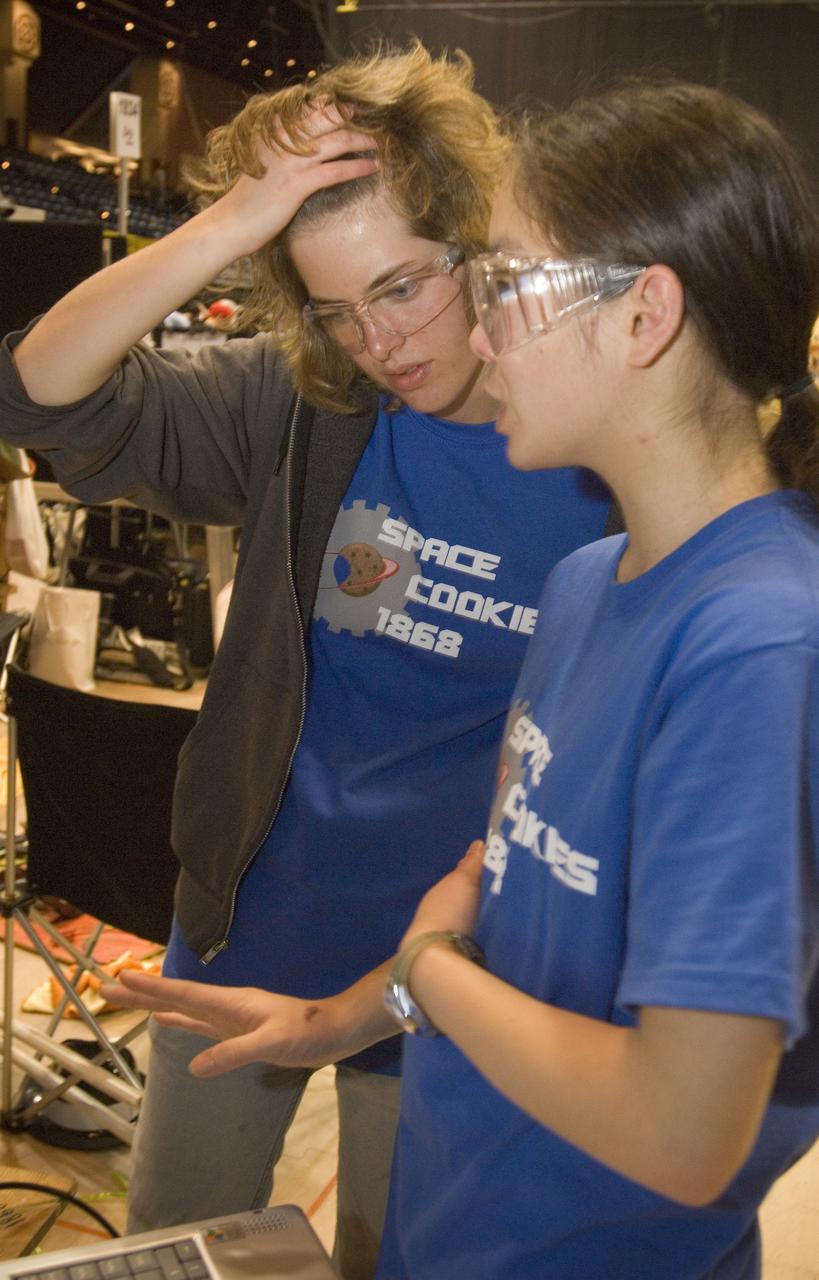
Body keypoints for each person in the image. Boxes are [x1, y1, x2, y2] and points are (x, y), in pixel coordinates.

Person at [104, 77, 819, 1278]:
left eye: (508, 286)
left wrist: (426, 968)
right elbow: (505, 881)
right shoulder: (595, 583)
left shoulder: (762, 646)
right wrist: (342, 1016)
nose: (476, 336)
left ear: (646, 316)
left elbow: (686, 1130)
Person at [0, 43, 613, 1280]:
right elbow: (41, 398)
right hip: (244, 932)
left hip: (445, 973)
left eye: (400, 287)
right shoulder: (308, 409)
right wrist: (235, 220)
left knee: (393, 1254)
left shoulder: (598, 452)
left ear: (480, 246)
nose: (376, 339)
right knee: (177, 1243)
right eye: (334, 307)